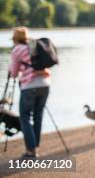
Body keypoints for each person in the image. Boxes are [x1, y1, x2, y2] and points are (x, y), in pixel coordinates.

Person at [9, 27, 51, 158]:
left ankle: (31, 150)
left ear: (15, 39)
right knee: (38, 116)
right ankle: (35, 146)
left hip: (29, 86)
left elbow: (14, 73)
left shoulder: (17, 49)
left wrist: (12, 69)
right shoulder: (35, 46)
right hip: (45, 84)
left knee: (25, 117)